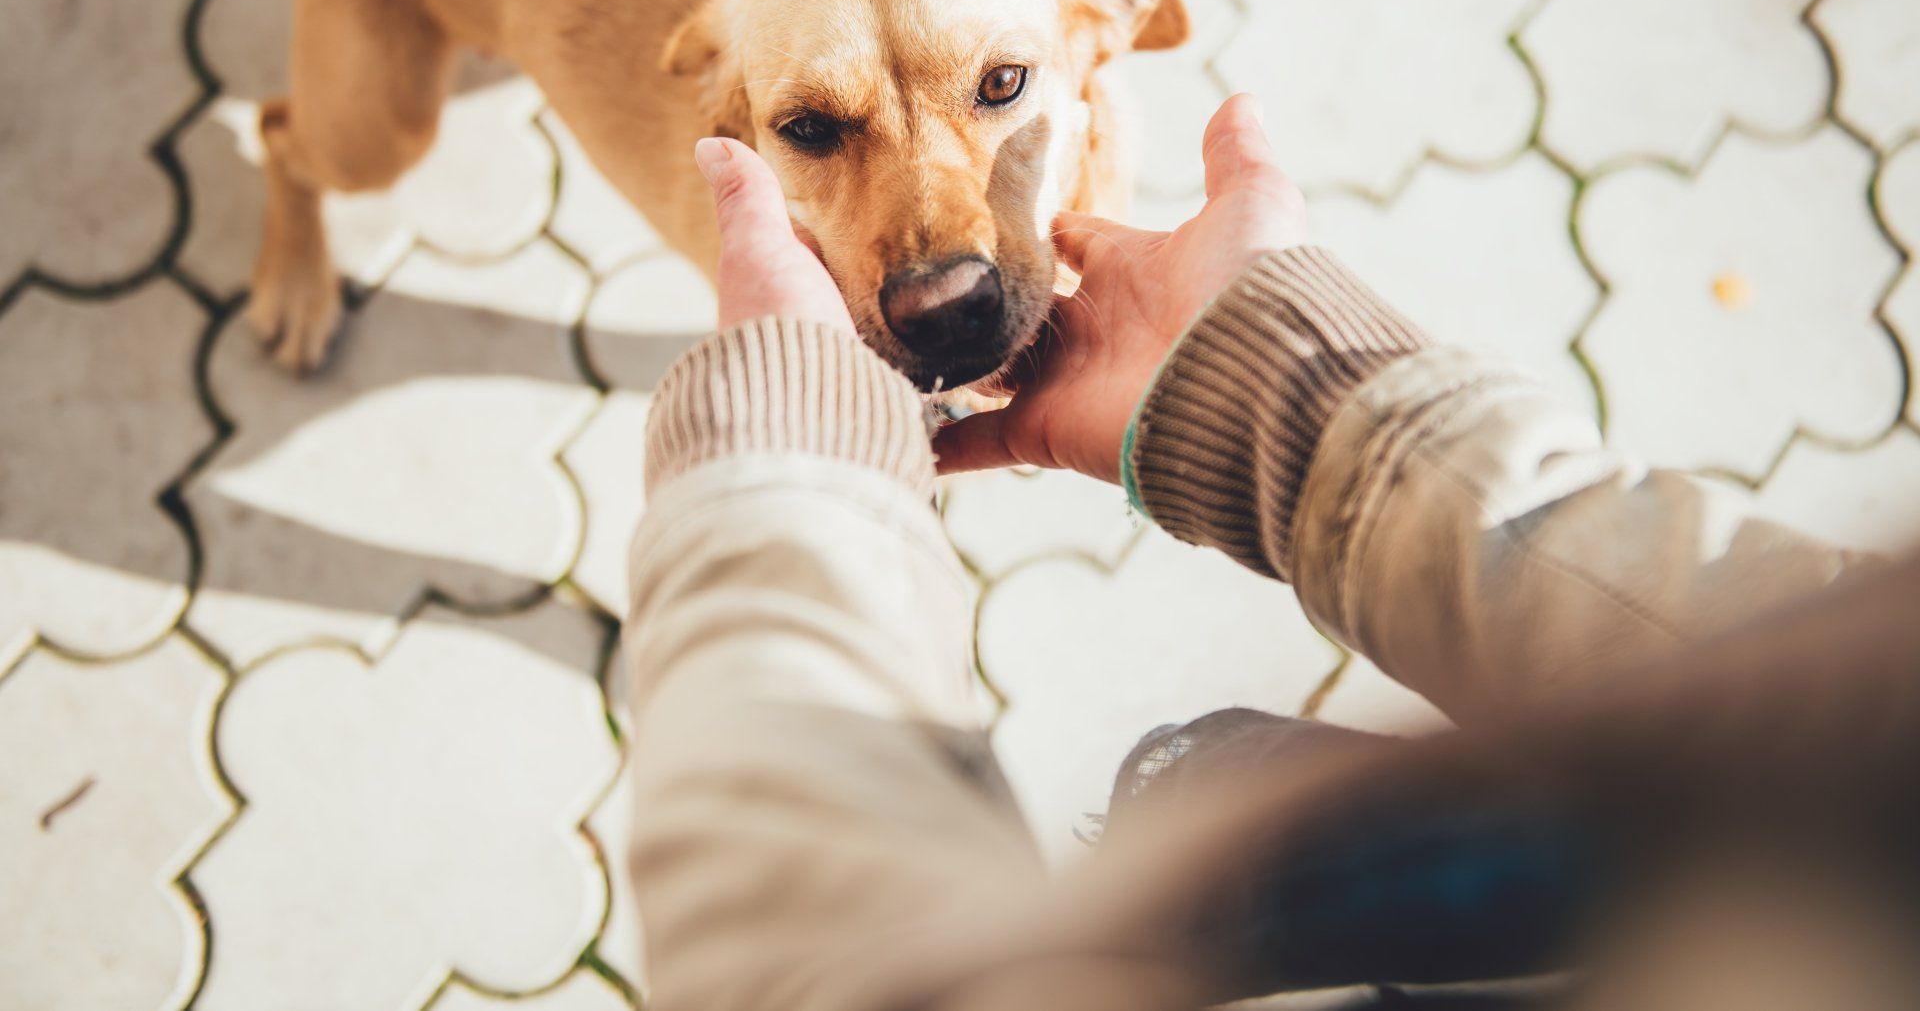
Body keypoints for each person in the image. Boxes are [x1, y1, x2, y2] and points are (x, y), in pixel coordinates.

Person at [620, 96, 1892, 1011]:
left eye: (1001, 89)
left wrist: (786, 476)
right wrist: (1289, 398)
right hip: (1466, 884)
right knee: (1218, 807)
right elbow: (1794, 703)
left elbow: (838, 973)